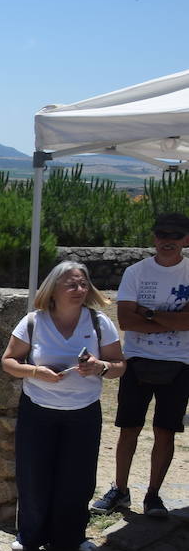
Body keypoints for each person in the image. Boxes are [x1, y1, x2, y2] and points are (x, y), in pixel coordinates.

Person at [1, 262, 124, 551]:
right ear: (53, 288)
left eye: (83, 284)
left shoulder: (98, 322)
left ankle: (70, 537)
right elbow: (8, 361)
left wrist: (100, 367)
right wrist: (35, 372)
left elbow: (119, 366)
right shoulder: (33, 321)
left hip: (83, 411)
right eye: (72, 285)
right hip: (38, 410)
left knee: (78, 478)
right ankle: (30, 536)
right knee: (33, 474)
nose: (80, 290)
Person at [92, 211, 189, 517]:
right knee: (128, 429)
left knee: (165, 431)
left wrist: (147, 314)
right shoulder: (136, 272)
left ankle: (153, 495)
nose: (167, 242)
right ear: (154, 237)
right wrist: (172, 320)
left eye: (174, 237)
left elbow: (186, 322)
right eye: (162, 235)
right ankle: (120, 490)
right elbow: (126, 320)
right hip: (136, 360)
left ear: (186, 239)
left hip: (181, 362)